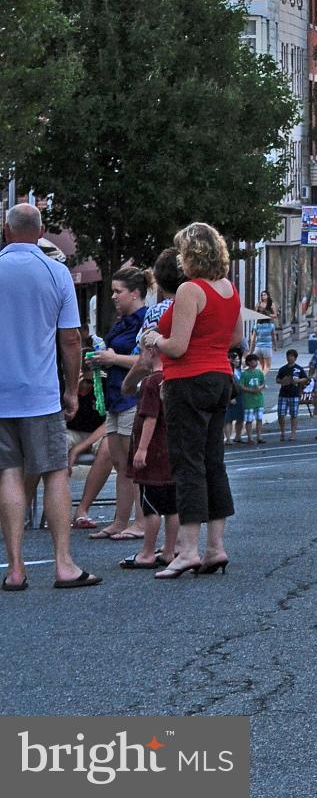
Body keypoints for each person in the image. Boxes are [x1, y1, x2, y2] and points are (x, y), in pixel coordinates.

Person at [0, 203, 98, 590]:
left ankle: (15, 569)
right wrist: (71, 389)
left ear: (6, 232)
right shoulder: (55, 272)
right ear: (40, 233)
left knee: (8, 472)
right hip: (40, 393)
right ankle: (63, 564)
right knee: (55, 472)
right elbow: (71, 339)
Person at [139, 221, 244, 579]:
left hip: (188, 380)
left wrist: (154, 338)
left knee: (186, 463)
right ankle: (216, 546)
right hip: (220, 376)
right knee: (213, 461)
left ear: (191, 254)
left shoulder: (190, 291)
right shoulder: (229, 289)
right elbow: (235, 339)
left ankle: (188, 550)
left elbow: (178, 346)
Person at [87, 266, 149, 540]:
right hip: (115, 397)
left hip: (132, 397)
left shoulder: (146, 321)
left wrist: (112, 359)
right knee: (120, 465)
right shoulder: (122, 321)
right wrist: (98, 359)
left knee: (134, 465)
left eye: (118, 291)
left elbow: (147, 360)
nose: (113, 296)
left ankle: (141, 522)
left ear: (135, 293)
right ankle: (120, 520)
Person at [119, 341, 177, 570]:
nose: (139, 357)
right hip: (172, 449)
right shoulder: (171, 378)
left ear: (152, 352)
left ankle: (147, 552)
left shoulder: (151, 382)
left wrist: (141, 449)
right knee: (173, 506)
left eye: (141, 351)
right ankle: (171, 550)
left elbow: (150, 416)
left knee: (151, 505)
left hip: (154, 452)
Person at [275, 349, 307, 442]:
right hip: (283, 394)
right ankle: (283, 432)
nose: (290, 358)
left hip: (294, 393)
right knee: (281, 414)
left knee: (294, 414)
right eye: (288, 356)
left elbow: (305, 378)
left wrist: (299, 381)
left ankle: (293, 433)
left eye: (292, 356)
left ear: (295, 358)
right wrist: (282, 381)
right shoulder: (283, 369)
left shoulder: (299, 368)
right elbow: (277, 379)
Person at [238, 353, 266, 445]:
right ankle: (250, 437)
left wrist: (260, 388)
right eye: (253, 361)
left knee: (259, 419)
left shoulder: (259, 372)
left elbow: (263, 383)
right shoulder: (245, 374)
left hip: (259, 399)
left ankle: (259, 436)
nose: (255, 363)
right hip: (249, 400)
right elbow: (241, 386)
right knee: (249, 420)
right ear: (249, 362)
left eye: (256, 361)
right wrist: (250, 390)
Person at [251, 290, 276, 371]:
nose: (263, 296)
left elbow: (275, 315)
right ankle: (262, 380)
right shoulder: (258, 304)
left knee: (265, 365)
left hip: (268, 322)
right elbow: (255, 313)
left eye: (264, 295)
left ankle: (262, 380)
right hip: (260, 323)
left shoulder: (271, 304)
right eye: (262, 295)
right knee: (263, 365)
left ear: (268, 296)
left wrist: (268, 315)